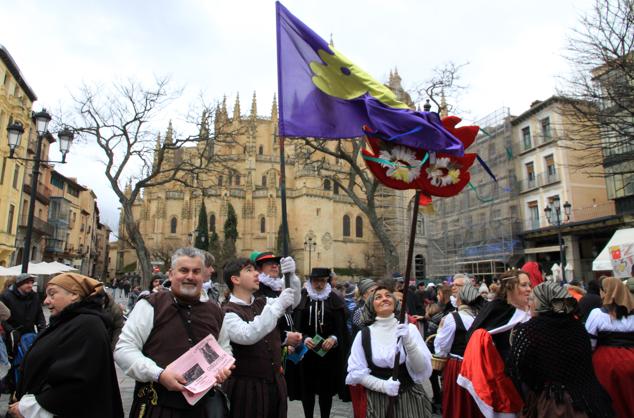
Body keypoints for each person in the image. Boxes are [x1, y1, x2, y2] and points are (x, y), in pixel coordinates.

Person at [115, 247, 232, 418]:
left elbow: (224, 349)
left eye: (196, 271)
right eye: (184, 270)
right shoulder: (150, 305)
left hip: (203, 408)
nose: (190, 276)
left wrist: (222, 368)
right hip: (157, 407)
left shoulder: (215, 311)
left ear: (203, 276)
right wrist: (159, 374)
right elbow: (124, 349)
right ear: (171, 274)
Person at [9, 273, 124, 418]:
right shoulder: (69, 321)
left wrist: (29, 407)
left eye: (52, 294)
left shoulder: (87, 325)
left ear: (74, 295)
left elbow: (78, 383)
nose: (46, 301)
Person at [507, 282, 614, 418]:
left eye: (532, 299)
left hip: (555, 404)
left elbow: (518, 369)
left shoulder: (529, 330)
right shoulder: (578, 327)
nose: (529, 304)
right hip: (589, 400)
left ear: (542, 302)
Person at [221, 257, 300, 418]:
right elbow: (248, 334)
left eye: (255, 270)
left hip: (274, 385)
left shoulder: (262, 302)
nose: (257, 274)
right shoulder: (227, 312)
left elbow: (292, 301)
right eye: (249, 270)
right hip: (246, 389)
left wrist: (291, 277)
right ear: (235, 279)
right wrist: (279, 305)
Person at [346, 287, 432, 418]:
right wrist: (383, 386)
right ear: (371, 305)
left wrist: (408, 341)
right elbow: (356, 372)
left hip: (410, 399)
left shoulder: (409, 330)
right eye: (378, 297)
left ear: (395, 302)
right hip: (378, 402)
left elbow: (420, 368)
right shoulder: (363, 336)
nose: (384, 298)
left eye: (388, 295)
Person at [458, 270, 532, 417]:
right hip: (503, 380)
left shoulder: (532, 310)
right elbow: (474, 339)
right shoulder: (496, 310)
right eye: (524, 285)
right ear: (510, 287)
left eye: (529, 284)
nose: (529, 288)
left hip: (529, 378)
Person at [286, 267, 350, 418]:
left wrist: (333, 338)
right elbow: (295, 324)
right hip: (306, 353)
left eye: (322, 281)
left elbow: (341, 327)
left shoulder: (334, 299)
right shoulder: (302, 298)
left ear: (327, 281)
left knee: (325, 391)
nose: (319, 284)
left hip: (328, 355)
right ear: (310, 281)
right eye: (316, 281)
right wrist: (305, 338)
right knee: (306, 390)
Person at [585, 277, 634, 418]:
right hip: (632, 359)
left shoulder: (597, 314)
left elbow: (590, 343)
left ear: (605, 292)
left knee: (611, 402)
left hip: (606, 364)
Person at [434, 283, 484, 418]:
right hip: (477, 367)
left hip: (458, 367)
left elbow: (441, 348)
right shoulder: (482, 317)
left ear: (460, 299)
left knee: (458, 404)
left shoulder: (452, 318)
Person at [0, 274, 46, 394]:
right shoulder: (6, 296)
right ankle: (9, 388)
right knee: (10, 364)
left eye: (32, 283)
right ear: (19, 284)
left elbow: (39, 314)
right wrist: (11, 330)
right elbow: (3, 318)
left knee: (27, 364)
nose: (30, 285)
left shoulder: (34, 296)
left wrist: (42, 329)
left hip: (29, 335)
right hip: (11, 337)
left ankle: (19, 392)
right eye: (27, 283)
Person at [251, 251, 303, 349]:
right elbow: (262, 324)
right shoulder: (257, 290)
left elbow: (294, 303)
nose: (275, 266)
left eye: (276, 264)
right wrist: (284, 338)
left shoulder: (278, 287)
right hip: (271, 347)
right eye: (269, 264)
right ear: (259, 269)